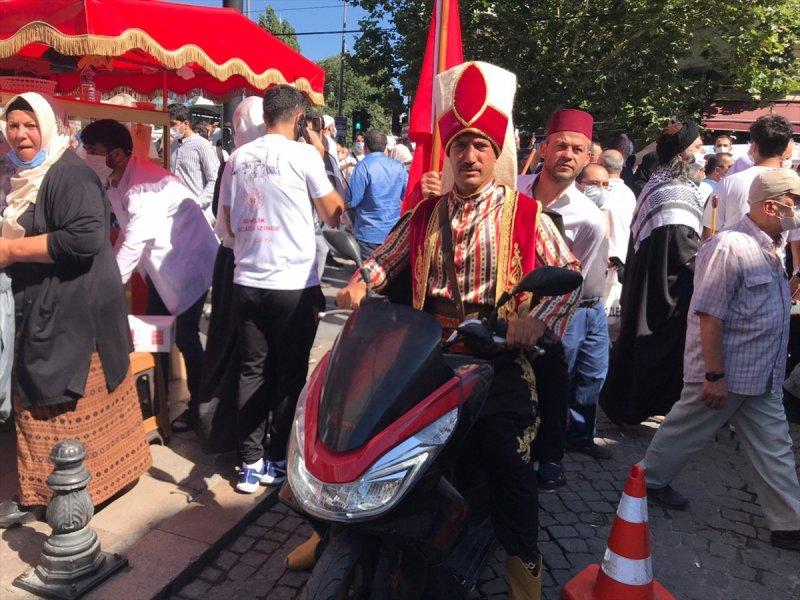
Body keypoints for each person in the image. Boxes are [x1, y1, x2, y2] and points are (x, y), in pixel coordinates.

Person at [334, 62, 581, 598]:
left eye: (481, 147)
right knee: (366, 432)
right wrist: (358, 281)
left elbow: (572, 281)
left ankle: (523, 562)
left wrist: (534, 323)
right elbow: (386, 258)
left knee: (505, 454)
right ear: (447, 153)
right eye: (460, 146)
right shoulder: (425, 213)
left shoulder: (527, 214)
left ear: (497, 155)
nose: (469, 156)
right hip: (426, 355)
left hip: (496, 358)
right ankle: (338, 528)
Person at [0, 93, 150, 527]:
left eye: (30, 125)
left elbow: (84, 240)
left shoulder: (69, 175)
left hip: (74, 312)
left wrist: (10, 249)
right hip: (56, 305)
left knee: (55, 394)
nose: (21, 134)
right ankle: (46, 491)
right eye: (14, 125)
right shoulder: (25, 175)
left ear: (48, 125)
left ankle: (66, 493)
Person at [640, 169, 800, 552]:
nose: (798, 214)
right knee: (683, 431)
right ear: (771, 205)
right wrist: (714, 375)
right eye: (796, 205)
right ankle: (644, 484)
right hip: (725, 373)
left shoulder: (772, 246)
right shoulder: (729, 246)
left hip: (760, 376)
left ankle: (790, 525)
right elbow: (709, 316)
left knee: (774, 447)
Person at [219, 85, 345, 494]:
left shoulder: (235, 159)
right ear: (298, 119)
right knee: (290, 372)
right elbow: (335, 216)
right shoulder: (305, 155)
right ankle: (276, 456)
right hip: (292, 284)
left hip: (248, 281)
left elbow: (225, 229)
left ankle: (249, 462)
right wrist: (323, 158)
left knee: (252, 370)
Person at [80, 119, 218, 434]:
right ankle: (160, 407)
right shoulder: (116, 179)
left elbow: (132, 244)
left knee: (184, 337)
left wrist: (102, 291)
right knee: (154, 334)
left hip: (188, 266)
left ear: (114, 154)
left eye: (91, 151)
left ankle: (202, 407)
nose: (85, 155)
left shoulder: (143, 185)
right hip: (161, 268)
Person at [519, 111, 610, 470]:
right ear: (544, 149)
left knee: (554, 384)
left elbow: (573, 279)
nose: (567, 155)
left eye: (577, 149)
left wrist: (543, 323)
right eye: (560, 146)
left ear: (588, 158)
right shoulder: (512, 190)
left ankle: (548, 456)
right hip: (506, 309)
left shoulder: (588, 218)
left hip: (553, 316)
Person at [601, 120, 704, 425]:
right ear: (683, 153)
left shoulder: (659, 182)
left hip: (651, 279)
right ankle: (642, 405)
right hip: (665, 286)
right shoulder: (675, 191)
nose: (701, 152)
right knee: (657, 343)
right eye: (697, 146)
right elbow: (682, 248)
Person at [196, 97, 265, 453]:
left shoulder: (236, 162)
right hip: (246, 261)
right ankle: (230, 431)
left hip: (234, 261)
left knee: (232, 343)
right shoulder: (244, 163)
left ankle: (223, 428)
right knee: (242, 348)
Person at [701, 115, 794, 237]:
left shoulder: (730, 182)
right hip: (775, 254)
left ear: (754, 146)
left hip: (730, 253)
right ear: (784, 149)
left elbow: (710, 232)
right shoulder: (793, 185)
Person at [347, 129, 409, 260]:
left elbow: (352, 200)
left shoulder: (362, 167)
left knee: (367, 277)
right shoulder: (399, 167)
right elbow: (406, 196)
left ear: (365, 147)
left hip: (367, 235)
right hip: (393, 234)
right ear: (385, 147)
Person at [169, 104, 221, 221]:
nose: (170, 128)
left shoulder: (202, 145)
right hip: (177, 212)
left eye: (173, 124)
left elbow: (214, 179)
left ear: (186, 124)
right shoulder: (172, 146)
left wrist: (198, 203)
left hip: (199, 214)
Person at [598, 149, 637, 273]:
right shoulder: (629, 194)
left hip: (605, 263)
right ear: (621, 168)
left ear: (601, 167)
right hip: (625, 261)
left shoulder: (599, 193)